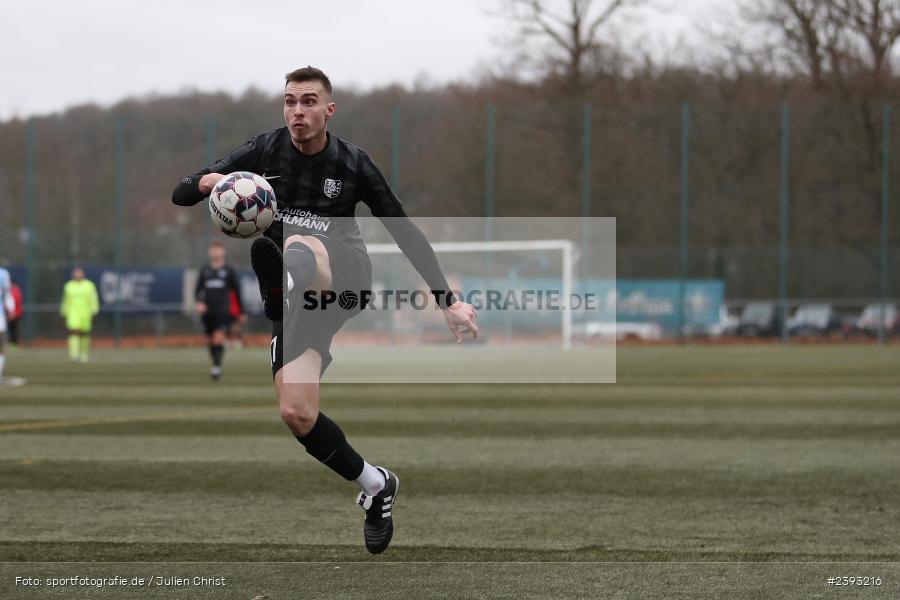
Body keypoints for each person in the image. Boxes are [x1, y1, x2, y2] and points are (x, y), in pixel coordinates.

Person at [172, 66, 478, 554]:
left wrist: (447, 301)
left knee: (301, 242)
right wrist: (210, 181)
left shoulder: (353, 163)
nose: (297, 111)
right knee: (296, 412)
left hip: (345, 277)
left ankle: (280, 284)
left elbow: (404, 230)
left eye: (309, 101)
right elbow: (181, 192)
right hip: (302, 304)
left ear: (329, 110)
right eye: (290, 101)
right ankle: (376, 485)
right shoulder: (264, 149)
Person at [195, 241, 244, 380]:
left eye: (218, 250)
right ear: (210, 252)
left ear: (223, 252)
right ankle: (215, 363)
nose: (216, 253)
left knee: (218, 337)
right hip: (207, 311)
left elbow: (237, 291)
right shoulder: (205, 270)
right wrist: (199, 303)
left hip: (223, 310)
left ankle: (216, 368)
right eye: (213, 250)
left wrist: (242, 311)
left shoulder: (229, 270)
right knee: (210, 340)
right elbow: (198, 290)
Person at [60, 267, 99, 362]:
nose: (78, 275)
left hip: (86, 312)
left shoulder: (89, 285)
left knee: (84, 333)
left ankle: (83, 353)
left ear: (83, 274)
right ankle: (74, 354)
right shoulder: (68, 286)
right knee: (74, 331)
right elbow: (65, 300)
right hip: (73, 313)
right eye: (76, 273)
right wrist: (63, 311)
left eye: (79, 273)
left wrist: (94, 310)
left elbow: (93, 298)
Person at [0, 266, 14, 381]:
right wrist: (10, 308)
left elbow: (7, 293)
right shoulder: (3, 273)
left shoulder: (3, 273)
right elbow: (7, 293)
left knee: (1, 344)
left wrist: (10, 308)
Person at [8, 279, 22, 346]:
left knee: (14, 329)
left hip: (15, 313)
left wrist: (12, 312)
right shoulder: (10, 290)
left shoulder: (15, 290)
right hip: (11, 313)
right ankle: (12, 343)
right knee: (11, 328)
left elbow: (16, 300)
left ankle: (15, 343)